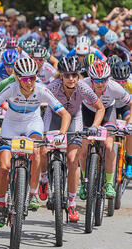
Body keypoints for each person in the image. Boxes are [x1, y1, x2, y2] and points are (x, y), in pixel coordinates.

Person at [0, 57, 71, 226]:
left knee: (37, 150)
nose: (29, 83)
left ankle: (33, 193)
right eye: (25, 78)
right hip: (11, 125)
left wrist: (62, 133)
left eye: (33, 78)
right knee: (4, 166)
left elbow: (65, 114)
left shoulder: (42, 90)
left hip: (32, 123)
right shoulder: (11, 88)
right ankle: (1, 204)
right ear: (17, 78)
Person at [40, 57, 104, 222]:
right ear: (61, 75)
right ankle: (45, 178)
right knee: (43, 150)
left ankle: (71, 202)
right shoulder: (52, 87)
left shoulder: (83, 87)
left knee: (72, 159)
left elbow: (100, 108)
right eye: (67, 75)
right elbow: (36, 101)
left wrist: (95, 126)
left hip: (75, 118)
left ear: (78, 75)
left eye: (74, 75)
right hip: (53, 117)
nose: (71, 78)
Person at [79, 59, 132, 199]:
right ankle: (84, 180)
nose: (101, 84)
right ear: (91, 79)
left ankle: (109, 183)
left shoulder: (115, 87)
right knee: (83, 147)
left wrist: (130, 123)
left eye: (104, 80)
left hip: (108, 112)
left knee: (109, 146)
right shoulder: (82, 85)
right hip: (87, 112)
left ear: (108, 78)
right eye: (96, 81)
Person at [111, 62, 132, 178]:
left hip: (125, 107)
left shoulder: (130, 84)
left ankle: (130, 162)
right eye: (117, 81)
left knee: (130, 130)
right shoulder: (108, 83)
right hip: (112, 107)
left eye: (123, 81)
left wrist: (130, 123)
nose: (121, 84)